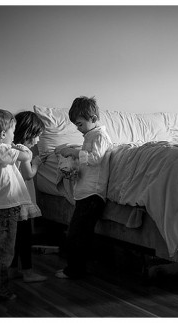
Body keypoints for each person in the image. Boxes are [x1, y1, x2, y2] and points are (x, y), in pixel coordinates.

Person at [0, 108, 34, 301]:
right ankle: (0, 290)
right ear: (3, 134)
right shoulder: (1, 149)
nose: (13, 136)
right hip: (6, 209)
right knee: (3, 252)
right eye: (12, 132)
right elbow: (26, 157)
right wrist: (23, 149)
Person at [54, 96, 113, 279]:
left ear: (93, 119)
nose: (78, 128)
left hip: (93, 194)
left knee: (77, 234)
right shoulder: (90, 136)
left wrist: (74, 152)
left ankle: (74, 270)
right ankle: (76, 268)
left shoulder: (100, 136)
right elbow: (87, 161)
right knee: (78, 233)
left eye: (80, 124)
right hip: (85, 193)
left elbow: (95, 158)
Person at [9, 111, 47, 283]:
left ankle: (12, 269)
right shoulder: (24, 151)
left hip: (11, 200)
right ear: (28, 134)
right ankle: (28, 271)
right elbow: (28, 174)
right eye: (37, 136)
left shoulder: (10, 149)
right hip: (22, 200)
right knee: (25, 236)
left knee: (14, 236)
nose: (38, 140)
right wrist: (36, 163)